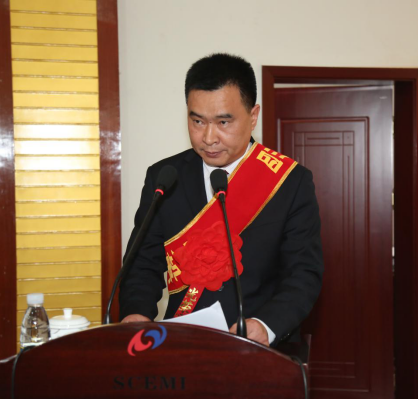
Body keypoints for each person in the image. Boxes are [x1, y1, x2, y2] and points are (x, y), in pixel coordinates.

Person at [119, 53, 324, 347]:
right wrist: (136, 313)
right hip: (182, 345)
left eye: (223, 122)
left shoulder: (289, 182)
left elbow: (303, 273)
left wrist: (266, 326)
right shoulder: (165, 177)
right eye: (197, 121)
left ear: (253, 116)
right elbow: (141, 263)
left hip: (259, 348)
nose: (209, 137)